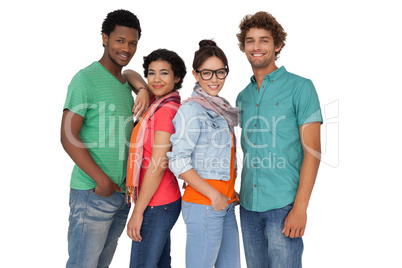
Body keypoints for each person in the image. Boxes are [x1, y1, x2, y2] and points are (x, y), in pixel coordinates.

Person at [61, 9, 150, 268]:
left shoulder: (125, 85)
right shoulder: (85, 79)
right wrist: (102, 181)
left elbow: (130, 72)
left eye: (132, 43)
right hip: (93, 193)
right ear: (105, 38)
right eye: (120, 40)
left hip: (121, 195)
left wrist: (142, 87)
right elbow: (68, 136)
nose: (126, 48)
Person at [235, 11, 323, 268]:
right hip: (248, 208)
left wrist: (300, 208)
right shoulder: (242, 97)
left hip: (284, 207)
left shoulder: (301, 87)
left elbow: (313, 152)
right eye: (250, 41)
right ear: (244, 47)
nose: (257, 47)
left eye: (264, 40)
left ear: (278, 45)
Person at [168, 40, 241, 268]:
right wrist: (215, 194)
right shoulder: (192, 109)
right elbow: (178, 161)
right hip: (204, 204)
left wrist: (228, 190)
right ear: (195, 74)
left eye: (220, 72)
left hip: (225, 202)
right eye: (207, 73)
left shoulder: (220, 109)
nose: (215, 79)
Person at [124, 48, 186, 268]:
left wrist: (137, 212)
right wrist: (142, 89)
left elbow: (158, 166)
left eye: (164, 73)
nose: (156, 79)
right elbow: (128, 72)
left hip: (157, 203)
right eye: (151, 73)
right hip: (159, 201)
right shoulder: (156, 102)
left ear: (177, 77)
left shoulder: (166, 111)